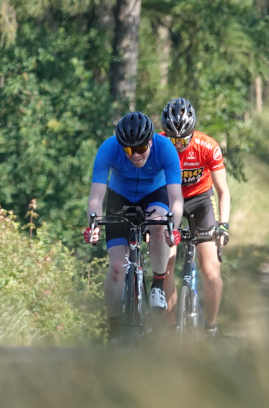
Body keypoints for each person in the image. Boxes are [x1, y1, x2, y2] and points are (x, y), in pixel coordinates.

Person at [84, 111, 185, 340]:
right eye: (129, 150)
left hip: (154, 195)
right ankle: (114, 327)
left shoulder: (166, 149)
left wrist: (174, 228)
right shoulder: (109, 148)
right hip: (119, 198)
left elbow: (176, 199)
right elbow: (96, 196)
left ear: (151, 141)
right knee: (117, 269)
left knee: (159, 224)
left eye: (140, 149)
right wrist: (94, 222)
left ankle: (157, 285)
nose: (135, 155)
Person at [158, 98, 230, 337]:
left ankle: (211, 325)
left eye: (183, 139)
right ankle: (170, 332)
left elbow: (223, 191)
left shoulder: (207, 146)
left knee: (211, 272)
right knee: (165, 266)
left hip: (200, 202)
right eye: (173, 139)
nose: (178, 144)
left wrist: (224, 225)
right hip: (170, 201)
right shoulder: (157, 144)